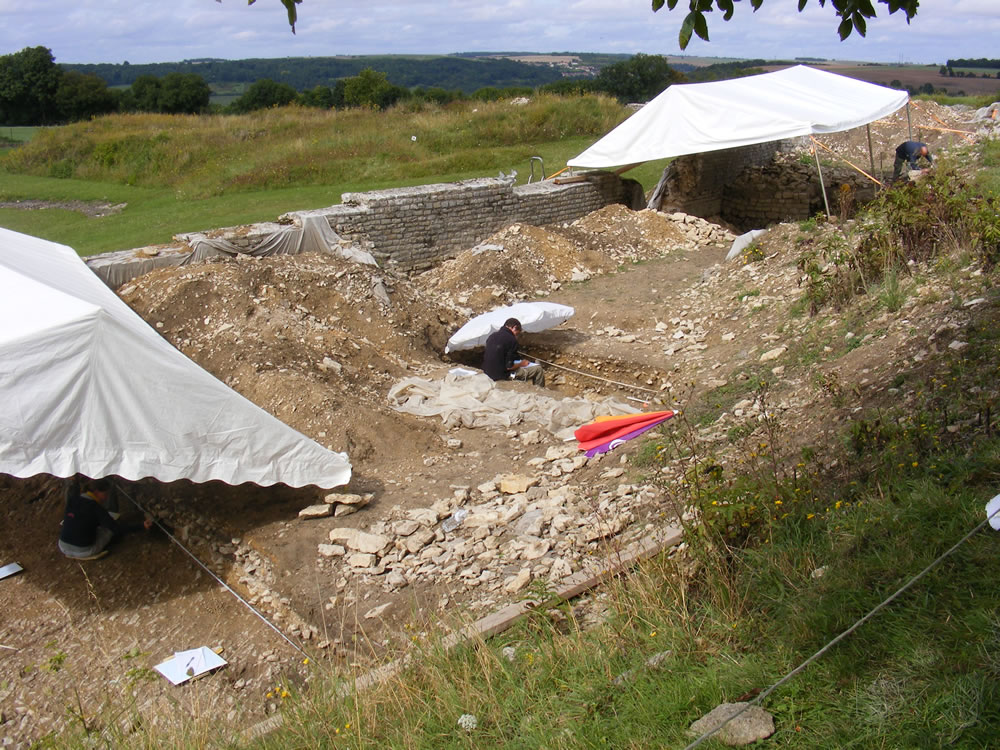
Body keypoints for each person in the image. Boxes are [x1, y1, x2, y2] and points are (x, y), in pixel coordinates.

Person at [58, 477, 151, 560]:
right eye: (105, 494)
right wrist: (141, 526)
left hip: (63, 546)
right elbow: (116, 528)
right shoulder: (96, 508)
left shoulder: (73, 499)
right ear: (97, 492)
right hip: (84, 550)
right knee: (108, 531)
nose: (106, 497)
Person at [481, 317, 545, 387]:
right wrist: (522, 364)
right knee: (538, 369)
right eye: (518, 333)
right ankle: (540, 390)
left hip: (487, 372)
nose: (516, 336)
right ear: (514, 328)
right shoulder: (511, 340)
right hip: (501, 375)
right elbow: (509, 366)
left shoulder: (492, 336)